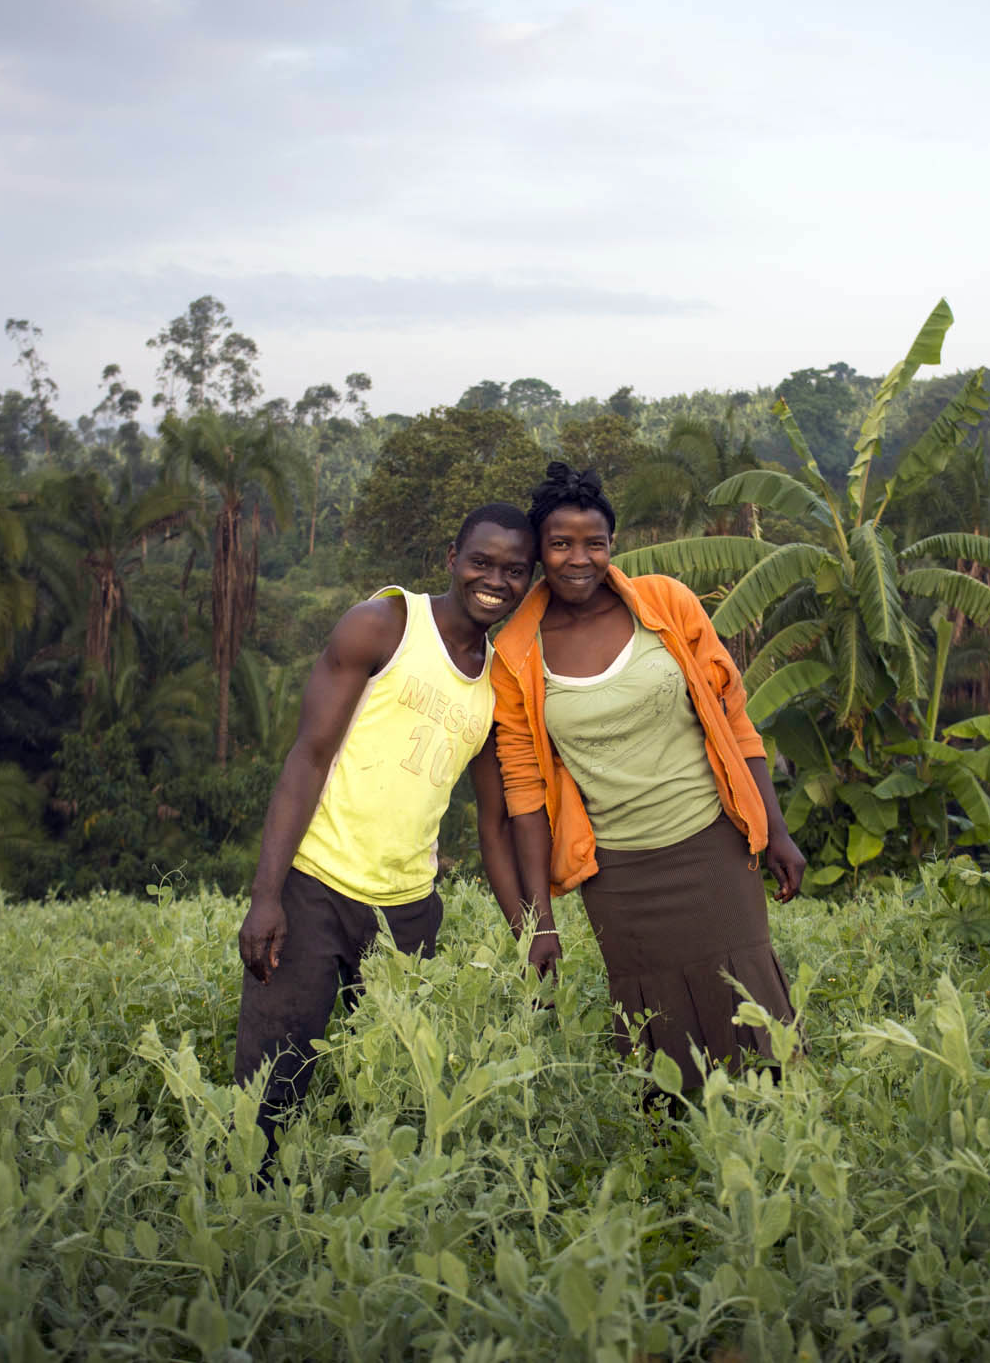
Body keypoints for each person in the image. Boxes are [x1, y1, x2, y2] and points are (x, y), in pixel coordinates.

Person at [492, 462, 805, 1084]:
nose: (578, 559)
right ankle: (679, 1144)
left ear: (613, 544)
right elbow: (524, 794)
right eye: (560, 544)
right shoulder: (515, 653)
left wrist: (776, 831)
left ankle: (778, 1130)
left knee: (752, 1009)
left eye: (594, 543)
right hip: (617, 873)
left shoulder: (665, 602)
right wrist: (540, 919)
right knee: (657, 1025)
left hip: (713, 844)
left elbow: (733, 719)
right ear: (539, 552)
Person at [233, 502, 536, 1143]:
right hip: (315, 890)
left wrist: (529, 935)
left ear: (528, 581)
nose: (495, 580)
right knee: (269, 1093)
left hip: (407, 914)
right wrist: (266, 896)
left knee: (386, 1101)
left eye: (514, 570)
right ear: (452, 559)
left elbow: (495, 825)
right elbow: (308, 758)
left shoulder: (499, 682)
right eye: (481, 562)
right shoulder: (384, 625)